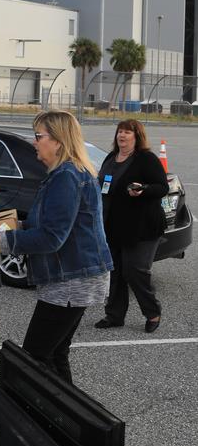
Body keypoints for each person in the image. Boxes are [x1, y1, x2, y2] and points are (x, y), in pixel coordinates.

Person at [0, 111, 112, 385]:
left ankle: (62, 420)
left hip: (71, 280)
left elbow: (52, 237)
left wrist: (1, 241)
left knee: (35, 357)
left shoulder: (66, 177)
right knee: (54, 354)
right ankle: (70, 422)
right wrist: (4, 228)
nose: (34, 142)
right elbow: (46, 225)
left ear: (58, 141)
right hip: (75, 275)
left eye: (38, 136)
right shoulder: (65, 173)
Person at [94, 119, 168, 333]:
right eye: (120, 132)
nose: (122, 136)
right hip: (114, 226)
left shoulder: (146, 159)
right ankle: (114, 315)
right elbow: (103, 185)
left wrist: (143, 189)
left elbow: (162, 187)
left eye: (127, 132)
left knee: (135, 271)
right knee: (115, 272)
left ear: (137, 136)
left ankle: (152, 312)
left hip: (142, 227)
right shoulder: (110, 158)